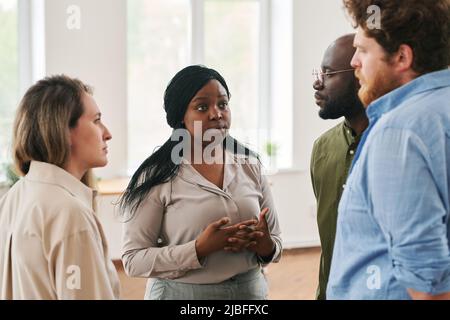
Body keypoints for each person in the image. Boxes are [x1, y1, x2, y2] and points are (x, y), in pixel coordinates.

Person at [120, 65, 282, 300]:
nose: (216, 114)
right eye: (202, 107)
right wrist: (199, 249)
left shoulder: (251, 166)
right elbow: (133, 260)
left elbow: (276, 242)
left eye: (223, 104)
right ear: (181, 117)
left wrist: (265, 246)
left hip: (249, 293)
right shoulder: (156, 176)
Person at [328, 0, 450, 299]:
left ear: (402, 56)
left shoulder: (399, 131)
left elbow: (428, 286)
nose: (354, 62)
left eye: (364, 50)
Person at [0, 75, 120, 299]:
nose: (107, 133)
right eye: (96, 120)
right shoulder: (70, 214)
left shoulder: (12, 198)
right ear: (64, 130)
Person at [311, 33, 368, 300]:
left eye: (328, 73)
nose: (316, 83)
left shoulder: (395, 142)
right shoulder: (322, 148)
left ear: (360, 72)